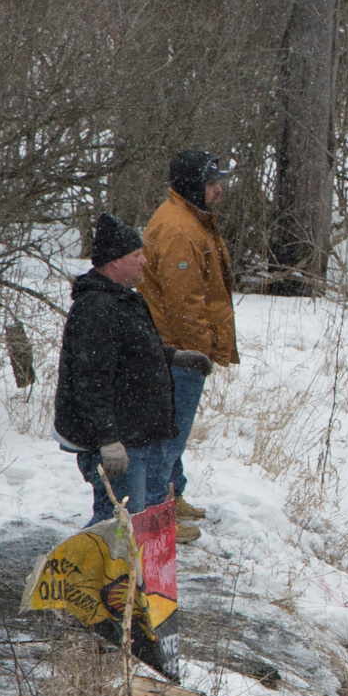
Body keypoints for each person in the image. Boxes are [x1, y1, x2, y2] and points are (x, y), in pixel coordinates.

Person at [54, 214, 177, 527]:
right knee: (116, 525)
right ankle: (91, 576)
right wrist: (108, 440)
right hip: (118, 443)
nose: (144, 261)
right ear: (113, 263)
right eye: (136, 255)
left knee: (127, 524)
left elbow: (131, 354)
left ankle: (124, 577)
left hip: (137, 434)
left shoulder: (124, 300)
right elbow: (90, 381)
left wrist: (174, 357)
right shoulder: (96, 307)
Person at [140, 149, 238, 540]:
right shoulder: (181, 229)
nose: (218, 191)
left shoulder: (191, 220)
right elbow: (186, 305)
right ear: (194, 186)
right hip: (178, 350)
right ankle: (157, 515)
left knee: (172, 429)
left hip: (179, 348)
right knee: (169, 433)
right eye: (213, 183)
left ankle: (170, 494)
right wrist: (200, 353)